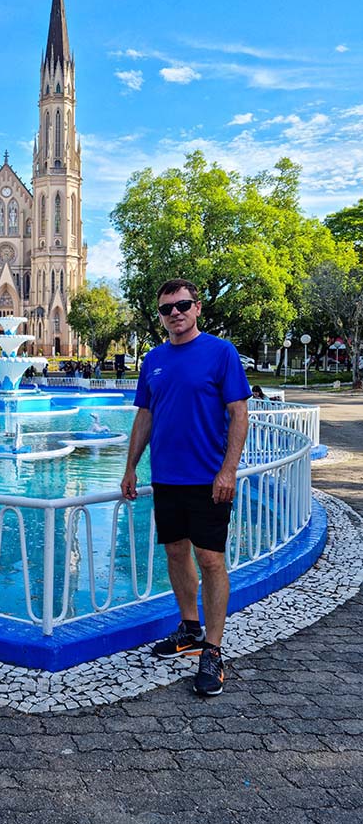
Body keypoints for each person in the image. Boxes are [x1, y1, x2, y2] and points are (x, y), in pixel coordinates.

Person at [121, 278, 251, 696]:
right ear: (160, 316)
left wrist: (228, 470)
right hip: (167, 479)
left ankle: (213, 651)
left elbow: (239, 413)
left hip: (208, 480)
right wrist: (130, 467)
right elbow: (145, 417)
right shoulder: (153, 360)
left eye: (183, 305)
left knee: (211, 560)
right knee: (176, 554)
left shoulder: (220, 353)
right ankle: (189, 629)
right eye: (167, 309)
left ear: (197, 309)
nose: (175, 313)